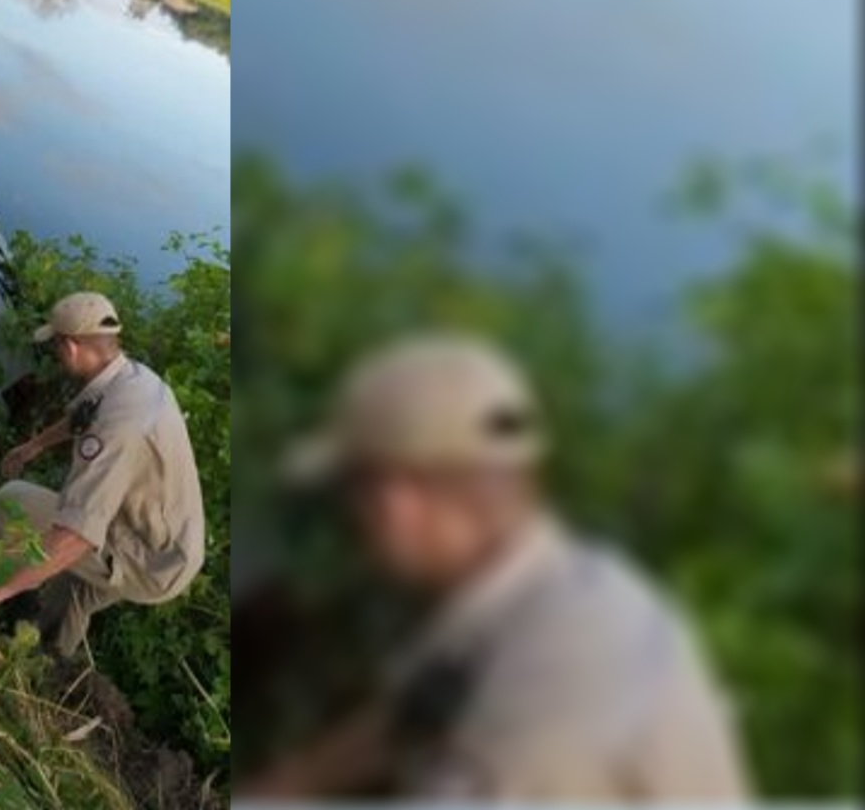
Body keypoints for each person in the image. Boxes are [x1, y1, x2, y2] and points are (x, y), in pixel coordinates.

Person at [240, 332, 750, 802]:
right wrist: (283, 788)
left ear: (397, 502)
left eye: (352, 493)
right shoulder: (556, 592)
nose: (353, 521)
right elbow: (409, 715)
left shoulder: (549, 695)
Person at [0, 292, 206, 658]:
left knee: (11, 501)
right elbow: (83, 415)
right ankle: (48, 668)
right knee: (72, 588)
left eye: (55, 344)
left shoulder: (117, 430)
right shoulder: (132, 378)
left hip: (152, 561)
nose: (55, 353)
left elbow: (79, 536)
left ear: (70, 347)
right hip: (173, 544)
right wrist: (34, 445)